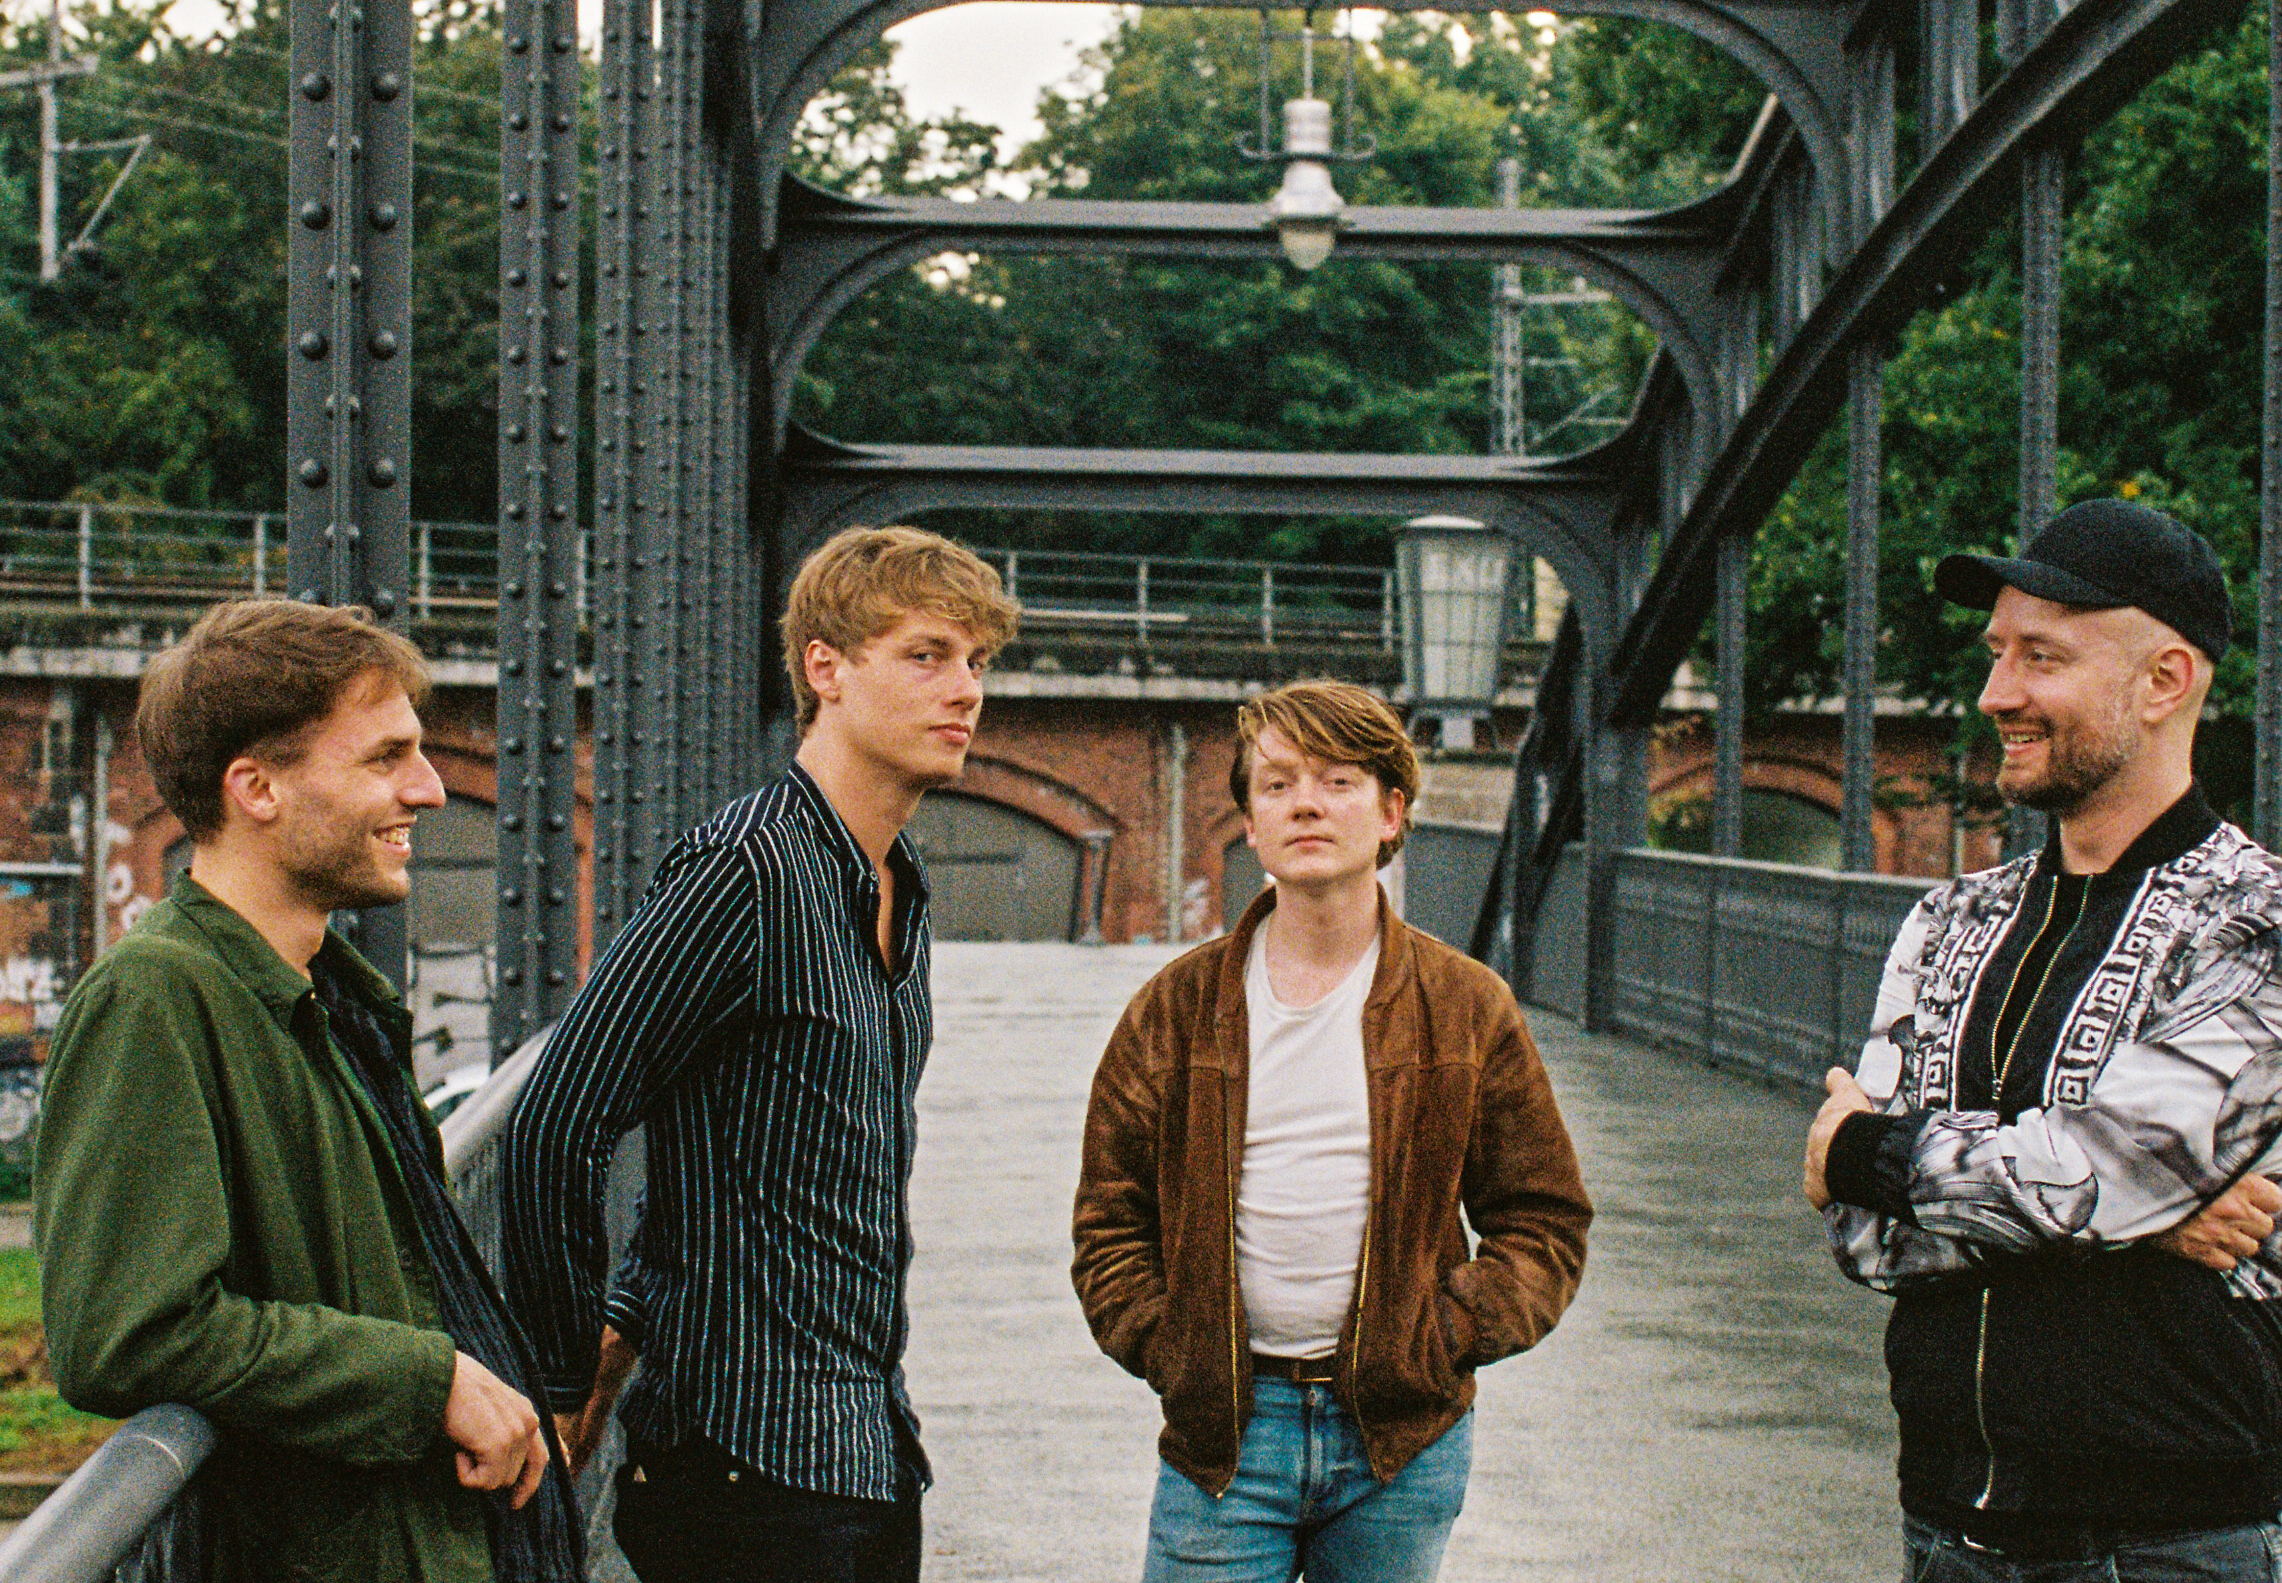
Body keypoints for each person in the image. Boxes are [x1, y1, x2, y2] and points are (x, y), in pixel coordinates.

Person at [498, 526, 1020, 1583]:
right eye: (925, 654)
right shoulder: (744, 868)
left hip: (862, 1445)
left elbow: (720, 1125)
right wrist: (559, 1371)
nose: (963, 688)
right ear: (824, 667)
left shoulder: (896, 883)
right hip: (747, 1468)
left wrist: (629, 1318)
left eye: (977, 661)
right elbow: (558, 1116)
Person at [34, 598, 579, 1583]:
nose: (427, 789)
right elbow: (126, 1331)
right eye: (384, 757)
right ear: (258, 788)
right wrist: (428, 1379)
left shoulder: (324, 993)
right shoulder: (155, 997)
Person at [1805, 499, 2282, 1580]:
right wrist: (2144, 1222)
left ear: (2163, 680)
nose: (1993, 695)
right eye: (1994, 655)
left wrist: (1862, 1150)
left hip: (2168, 1539)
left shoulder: (2253, 924)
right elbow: (1861, 1241)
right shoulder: (1948, 919)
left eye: (2040, 657)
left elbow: (2078, 1176)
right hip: (1944, 1521)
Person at [1072, 679, 1592, 1583]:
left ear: (1392, 811)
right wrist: (1175, 1348)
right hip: (1226, 1437)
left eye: (1339, 780)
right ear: (1249, 818)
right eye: (1277, 784)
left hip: (1399, 1438)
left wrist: (1443, 1334)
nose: (1306, 802)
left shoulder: (1465, 1004)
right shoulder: (1175, 1009)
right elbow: (1109, 1223)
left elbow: (1544, 1220)